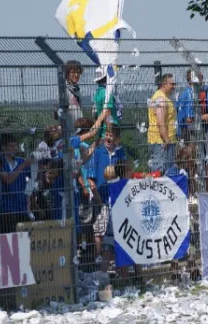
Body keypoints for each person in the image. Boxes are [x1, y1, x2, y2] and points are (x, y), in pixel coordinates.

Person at [92, 129, 128, 271]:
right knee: (101, 233)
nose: (108, 137)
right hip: (103, 200)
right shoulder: (98, 152)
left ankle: (123, 272)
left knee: (120, 238)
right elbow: (92, 172)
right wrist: (96, 195)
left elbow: (126, 171)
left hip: (118, 202)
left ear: (117, 139)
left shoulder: (120, 153)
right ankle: (100, 269)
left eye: (111, 135)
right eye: (106, 134)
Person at [0, 134, 34, 233]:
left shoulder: (20, 161)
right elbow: (8, 180)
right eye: (11, 146)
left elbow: (29, 180)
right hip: (6, 209)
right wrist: (24, 165)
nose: (15, 149)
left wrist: (28, 199)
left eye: (16, 146)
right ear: (3, 148)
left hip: (22, 207)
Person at [176, 69, 202, 200]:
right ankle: (192, 192)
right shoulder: (191, 93)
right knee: (191, 162)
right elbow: (189, 118)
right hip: (188, 132)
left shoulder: (185, 92)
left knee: (188, 162)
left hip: (183, 132)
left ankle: (190, 191)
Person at [148, 73, 178, 177]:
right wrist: (167, 140)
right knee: (161, 173)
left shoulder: (163, 97)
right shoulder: (161, 98)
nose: (174, 86)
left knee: (165, 173)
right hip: (162, 142)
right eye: (172, 84)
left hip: (163, 141)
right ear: (164, 84)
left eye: (175, 84)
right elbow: (160, 122)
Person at [93, 66, 121, 138]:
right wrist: (111, 133)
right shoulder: (107, 93)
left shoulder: (98, 92)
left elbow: (95, 112)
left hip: (102, 131)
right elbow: (107, 112)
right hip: (110, 131)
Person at [62, 60, 84, 134]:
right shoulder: (63, 91)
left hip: (77, 131)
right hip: (68, 132)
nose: (76, 75)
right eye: (73, 72)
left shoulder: (76, 89)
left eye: (78, 72)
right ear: (67, 74)